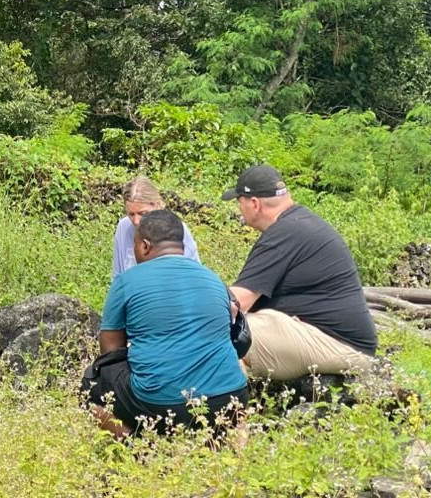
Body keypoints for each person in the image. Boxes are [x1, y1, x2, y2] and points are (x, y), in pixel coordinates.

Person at [83, 209, 248, 438]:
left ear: (145, 246)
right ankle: (217, 444)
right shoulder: (214, 279)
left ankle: (139, 448)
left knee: (90, 385)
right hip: (231, 399)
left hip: (161, 403)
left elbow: (111, 352)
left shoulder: (127, 281)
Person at [223, 164, 378, 381]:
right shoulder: (299, 223)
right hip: (332, 338)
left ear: (254, 204)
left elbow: (237, 301)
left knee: (221, 333)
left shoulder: (285, 233)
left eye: (240, 203)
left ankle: (227, 407)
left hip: (339, 346)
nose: (240, 210)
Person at [112, 176, 199, 278]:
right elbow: (117, 275)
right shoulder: (124, 227)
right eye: (131, 214)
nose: (136, 221)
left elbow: (194, 273)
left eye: (142, 213)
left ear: (157, 205)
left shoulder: (176, 229)